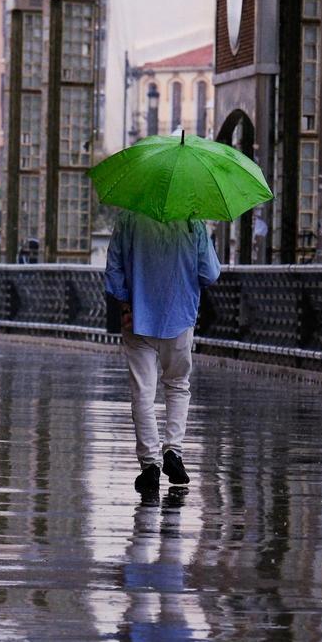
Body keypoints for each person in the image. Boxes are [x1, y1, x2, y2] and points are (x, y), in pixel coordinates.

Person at [104, 209, 221, 493]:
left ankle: (150, 465)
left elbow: (113, 269)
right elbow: (209, 273)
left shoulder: (129, 217)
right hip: (179, 316)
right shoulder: (192, 220)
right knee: (178, 385)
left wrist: (125, 303)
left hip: (137, 317)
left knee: (143, 392)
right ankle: (173, 452)